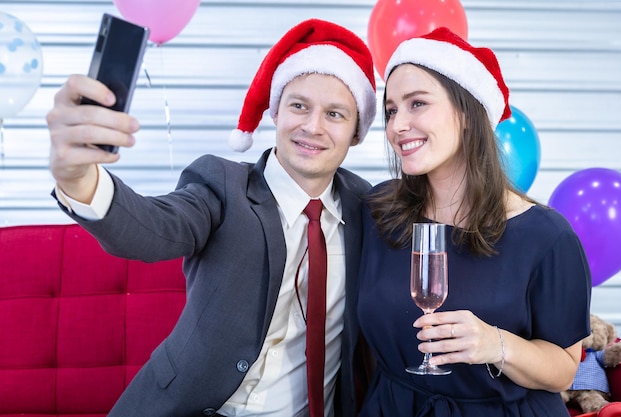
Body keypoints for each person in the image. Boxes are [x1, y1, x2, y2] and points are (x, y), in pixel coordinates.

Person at [46, 18, 377, 417]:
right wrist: (79, 178)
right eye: (299, 105)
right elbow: (151, 228)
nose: (312, 126)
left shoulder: (368, 207)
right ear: (275, 111)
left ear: (357, 131)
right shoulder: (221, 186)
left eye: (335, 114)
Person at [356, 27, 592, 416]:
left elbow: (564, 370)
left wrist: (493, 343)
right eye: (391, 110)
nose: (397, 125)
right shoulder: (379, 212)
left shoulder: (545, 236)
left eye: (417, 104)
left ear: (466, 113)